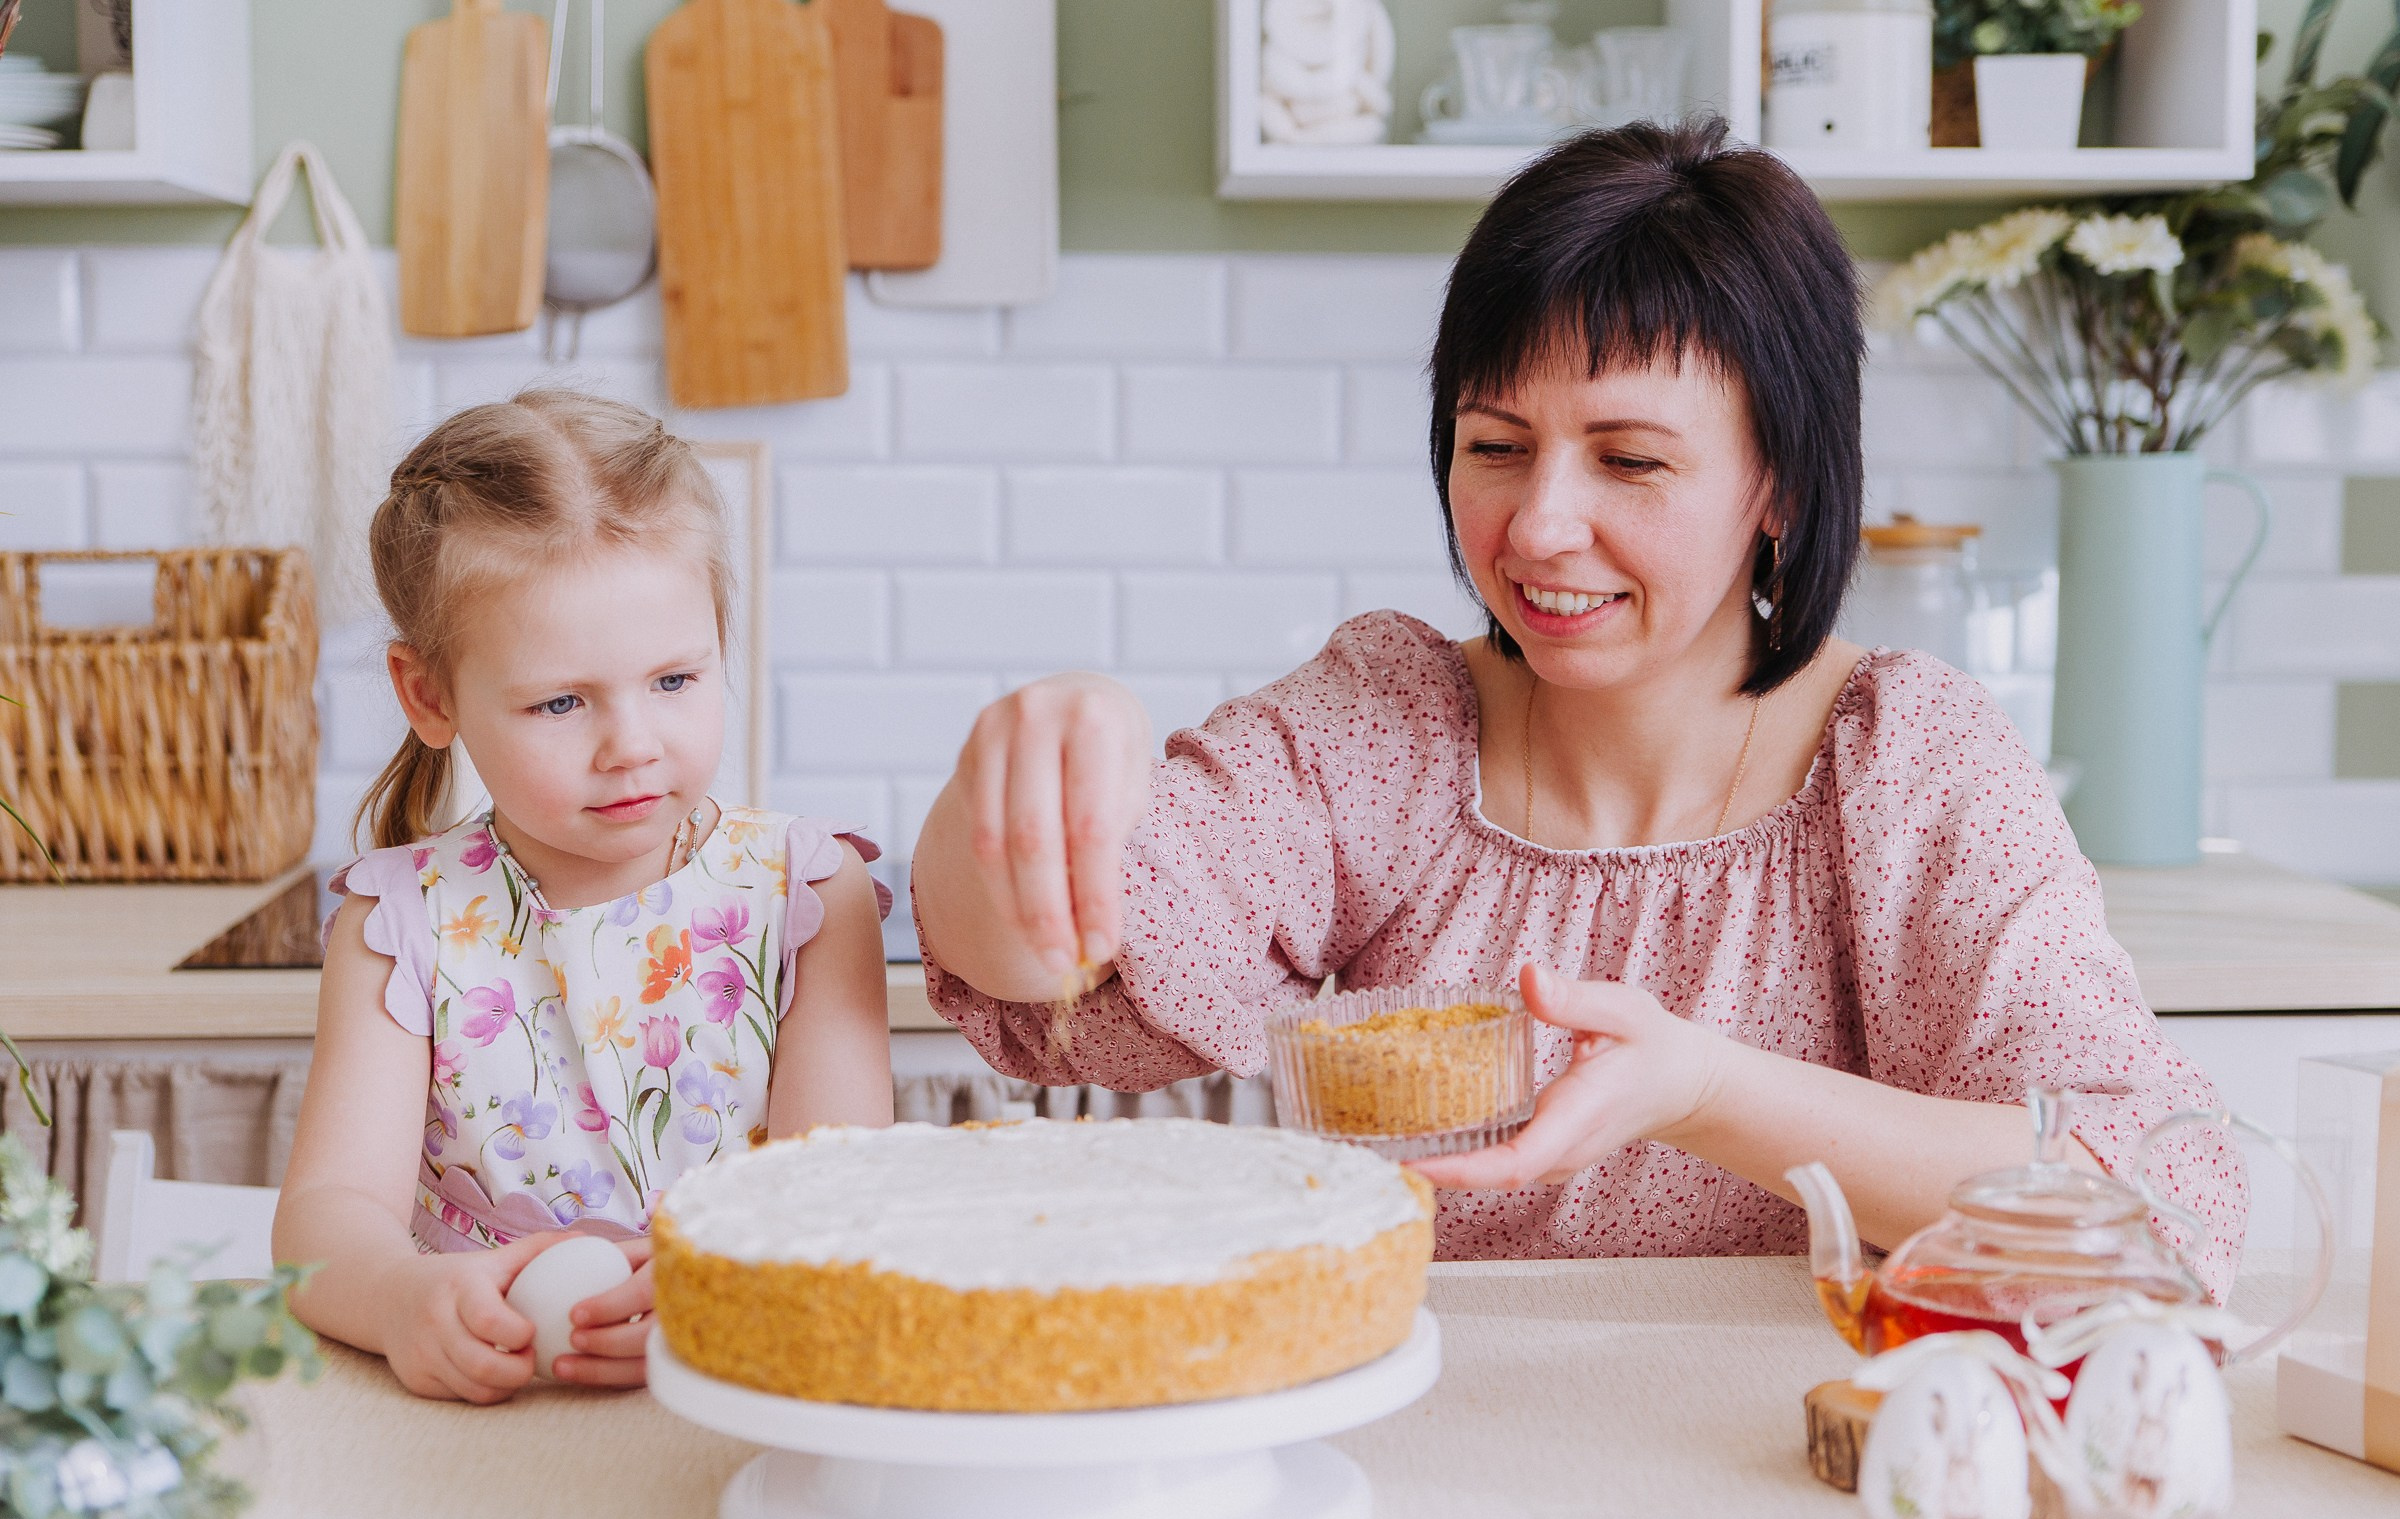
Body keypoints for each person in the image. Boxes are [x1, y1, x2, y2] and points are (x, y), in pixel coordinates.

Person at [909, 121, 2244, 1290]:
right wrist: (1022, 784)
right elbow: (1048, 977)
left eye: (1629, 459)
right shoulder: (1389, 727)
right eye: (1495, 447)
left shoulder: (1902, 771)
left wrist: (1710, 1092)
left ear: (1778, 485)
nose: (1540, 526)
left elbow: (2158, 1200)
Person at [275, 392, 894, 1403]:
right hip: (490, 1420)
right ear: (430, 695)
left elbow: (837, 1188)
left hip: (738, 1393)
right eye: (562, 701)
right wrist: (397, 1299)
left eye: (674, 680)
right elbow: (325, 1213)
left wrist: (720, 1280)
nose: (633, 744)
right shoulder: (401, 925)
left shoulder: (812, 896)